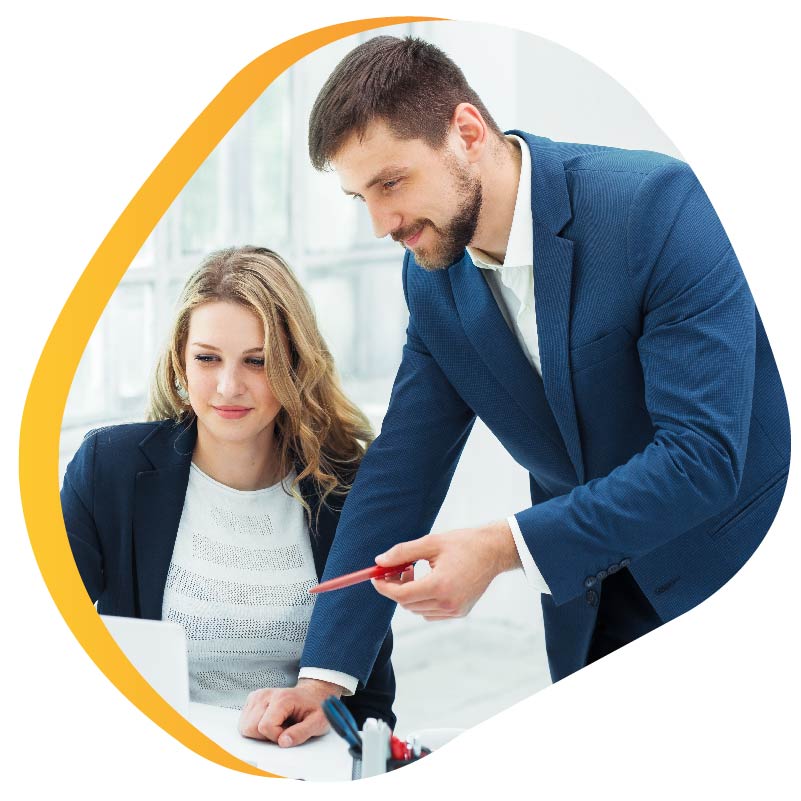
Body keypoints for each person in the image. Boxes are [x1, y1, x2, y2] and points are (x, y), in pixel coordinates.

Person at [244, 35, 792, 746]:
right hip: (586, 604)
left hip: (727, 567)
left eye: (391, 183)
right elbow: (402, 469)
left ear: (467, 132)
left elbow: (701, 458)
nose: (381, 224)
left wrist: (504, 546)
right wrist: (326, 678)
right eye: (361, 197)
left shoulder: (655, 207)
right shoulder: (430, 277)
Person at [60, 245, 395, 746]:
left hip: (295, 761)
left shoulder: (345, 488)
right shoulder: (109, 467)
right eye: (207, 358)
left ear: (294, 366)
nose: (228, 386)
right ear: (180, 361)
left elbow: (370, 703)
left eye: (257, 362)